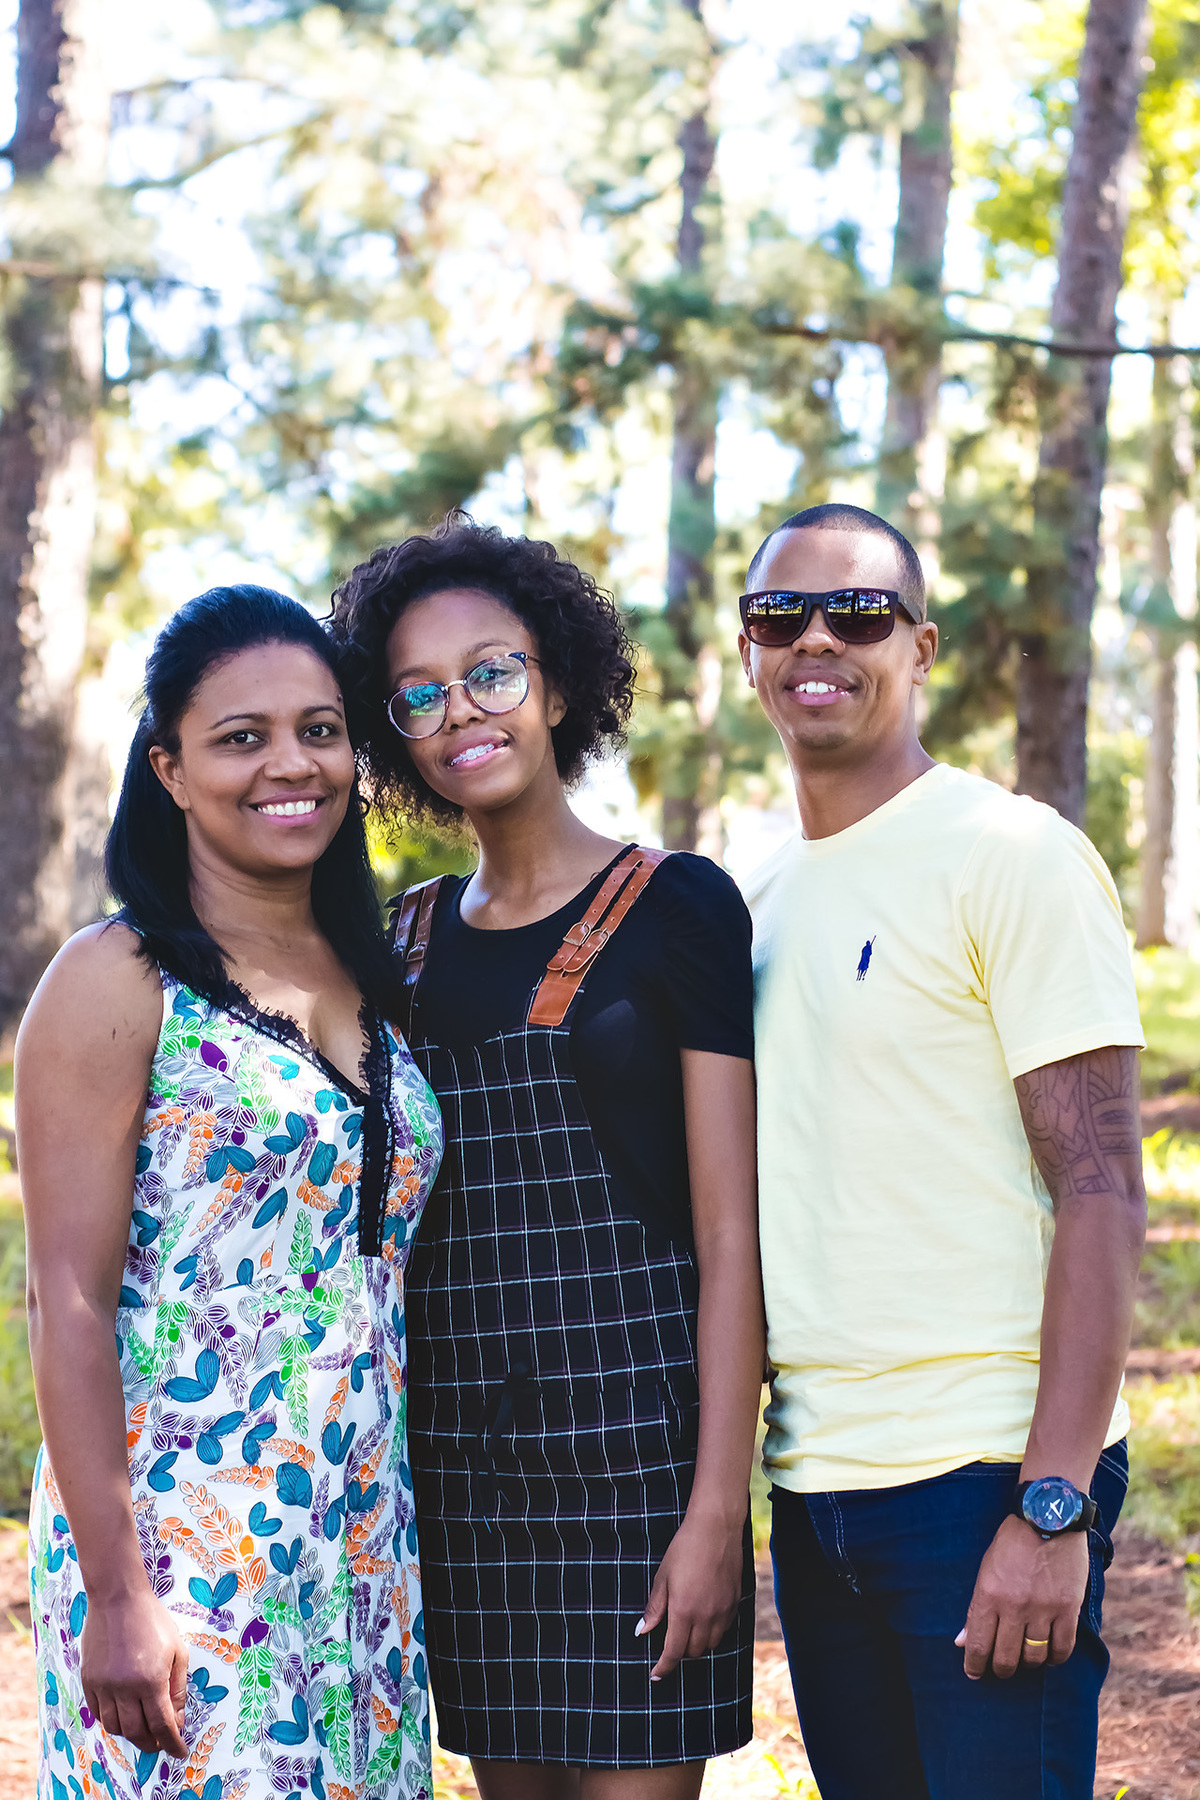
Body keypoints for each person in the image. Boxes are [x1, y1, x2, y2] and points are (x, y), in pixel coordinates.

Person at [329, 514, 764, 1800]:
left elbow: (732, 1239)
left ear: (557, 684)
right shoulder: (391, 945)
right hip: (461, 1479)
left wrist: (714, 1513)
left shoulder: (678, 905)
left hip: (637, 1464)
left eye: (494, 672)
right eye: (419, 694)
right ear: (393, 731)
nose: (463, 709)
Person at [738, 503, 1146, 1800]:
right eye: (780, 615)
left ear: (920, 648)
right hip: (815, 1489)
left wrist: (1052, 1504)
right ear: (745, 653)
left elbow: (1101, 1184)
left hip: (980, 1480)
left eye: (856, 614)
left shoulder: (1008, 855)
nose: (818, 639)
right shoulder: (754, 899)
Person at [19, 587, 443, 1800]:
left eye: (319, 730)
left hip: (359, 1535)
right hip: (182, 1540)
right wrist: (117, 1593)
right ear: (169, 767)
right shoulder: (116, 978)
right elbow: (69, 1303)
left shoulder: (379, 974)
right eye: (241, 737)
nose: (290, 765)